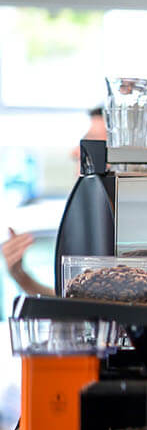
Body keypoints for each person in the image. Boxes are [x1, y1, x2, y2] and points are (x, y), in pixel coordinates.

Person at [3, 107, 106, 297]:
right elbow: (72, 304)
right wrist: (21, 276)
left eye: (91, 142)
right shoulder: (92, 218)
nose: (75, 152)